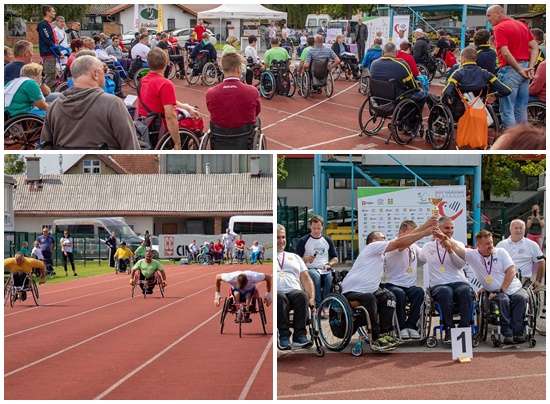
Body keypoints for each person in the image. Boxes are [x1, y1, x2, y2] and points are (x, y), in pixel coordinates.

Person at [341, 216, 438, 349]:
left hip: (370, 290)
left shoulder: (381, 257)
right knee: (378, 296)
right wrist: (425, 229)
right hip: (353, 290)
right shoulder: (373, 247)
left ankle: (386, 333)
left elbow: (421, 257)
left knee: (389, 297)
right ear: (374, 241)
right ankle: (375, 337)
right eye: (383, 238)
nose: (386, 240)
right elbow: (399, 243)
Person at [438, 229, 528, 344]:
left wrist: (502, 289)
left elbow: (511, 271)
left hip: (514, 288)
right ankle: (507, 332)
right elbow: (455, 247)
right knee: (503, 300)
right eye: (487, 244)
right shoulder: (472, 255)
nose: (490, 246)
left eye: (491, 242)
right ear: (478, 245)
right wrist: (443, 236)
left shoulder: (501, 252)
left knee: (520, 298)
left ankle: (519, 332)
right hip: (496, 294)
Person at [40, 55, 139, 150]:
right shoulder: (113, 104)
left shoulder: (53, 106)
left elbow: (45, 145)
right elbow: (131, 147)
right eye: (103, 71)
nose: (105, 74)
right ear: (95, 74)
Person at [418, 216, 475, 344]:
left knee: (466, 291)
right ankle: (448, 329)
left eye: (452, 228)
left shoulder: (458, 244)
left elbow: (460, 265)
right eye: (446, 228)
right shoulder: (428, 247)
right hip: (439, 285)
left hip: (459, 282)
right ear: (439, 228)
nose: (450, 231)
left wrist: (450, 250)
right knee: (445, 292)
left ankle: (463, 329)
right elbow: (418, 260)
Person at [487, 5, 538, 129]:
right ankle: (523, 140)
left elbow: (505, 52)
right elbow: (534, 47)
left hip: (511, 69)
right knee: (521, 107)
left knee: (507, 109)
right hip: (525, 67)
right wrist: (530, 66)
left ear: (498, 14)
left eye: (489, 15)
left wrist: (519, 69)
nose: (488, 19)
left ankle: (512, 143)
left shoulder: (499, 28)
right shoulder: (522, 25)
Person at [138, 48, 201, 148]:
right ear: (165, 64)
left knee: (189, 111)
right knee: (197, 120)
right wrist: (177, 143)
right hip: (161, 125)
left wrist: (187, 108)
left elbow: (166, 100)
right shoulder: (165, 84)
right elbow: (170, 116)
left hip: (147, 122)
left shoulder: (143, 81)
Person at [437, 47, 511, 121]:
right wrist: (495, 95)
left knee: (432, 98)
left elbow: (446, 92)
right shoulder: (486, 73)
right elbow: (507, 90)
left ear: (463, 58)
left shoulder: (457, 73)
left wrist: (447, 101)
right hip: (479, 109)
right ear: (476, 59)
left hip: (458, 112)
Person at [381, 220, 426, 340]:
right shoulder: (394, 244)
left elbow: (423, 257)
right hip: (391, 284)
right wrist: (423, 233)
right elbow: (402, 246)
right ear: (401, 232)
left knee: (419, 292)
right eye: (412, 233)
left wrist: (434, 244)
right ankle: (401, 327)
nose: (414, 236)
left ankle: (411, 326)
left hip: (409, 286)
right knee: (399, 294)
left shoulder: (414, 247)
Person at [277, 224, 315, 349]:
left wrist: (312, 298)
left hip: (293, 291)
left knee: (302, 296)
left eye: (283, 237)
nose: (281, 241)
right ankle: (284, 335)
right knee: (280, 297)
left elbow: (306, 279)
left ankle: (299, 336)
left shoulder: (295, 257)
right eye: (277, 238)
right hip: (278, 292)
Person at [206, 52, 261, 130]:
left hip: (219, 134)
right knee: (257, 119)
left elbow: (211, 110)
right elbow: (256, 111)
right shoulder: (252, 91)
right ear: (239, 69)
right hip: (245, 133)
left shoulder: (211, 92)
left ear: (222, 69)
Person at [295, 215, 339, 310]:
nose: (316, 231)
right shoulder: (303, 241)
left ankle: (326, 305)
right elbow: (296, 259)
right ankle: (318, 305)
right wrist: (306, 259)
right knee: (315, 277)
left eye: (318, 228)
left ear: (322, 227)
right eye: (314, 228)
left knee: (329, 278)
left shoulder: (327, 240)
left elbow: (335, 258)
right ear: (310, 226)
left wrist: (328, 264)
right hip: (310, 268)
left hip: (324, 267)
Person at [370, 41, 426, 110]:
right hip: (395, 97)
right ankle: (415, 117)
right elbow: (412, 85)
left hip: (377, 95)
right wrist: (417, 89)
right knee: (422, 94)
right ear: (396, 52)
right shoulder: (402, 64)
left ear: (383, 52)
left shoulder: (373, 64)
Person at [4, 40, 60, 105]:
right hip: (28, 102)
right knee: (59, 96)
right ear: (26, 53)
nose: (32, 54)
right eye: (31, 51)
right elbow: (46, 92)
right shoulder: (30, 69)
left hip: (10, 101)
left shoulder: (6, 67)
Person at [497, 219, 545, 287]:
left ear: (524, 230)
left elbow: (541, 262)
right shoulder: (501, 245)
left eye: (521, 228)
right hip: (503, 279)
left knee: (519, 297)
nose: (518, 230)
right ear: (510, 229)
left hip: (523, 280)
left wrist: (538, 280)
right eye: (516, 228)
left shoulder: (532, 245)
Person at [37, 5, 59, 91]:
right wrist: (57, 51)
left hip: (52, 53)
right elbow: (48, 40)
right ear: (47, 12)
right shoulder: (43, 24)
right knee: (50, 77)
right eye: (53, 11)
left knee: (53, 75)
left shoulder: (49, 24)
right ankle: (49, 96)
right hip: (48, 53)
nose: (54, 13)